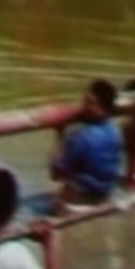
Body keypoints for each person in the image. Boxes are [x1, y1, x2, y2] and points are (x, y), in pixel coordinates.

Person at [51, 79, 123, 211]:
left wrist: (59, 134)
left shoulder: (81, 137)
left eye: (86, 101)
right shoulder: (115, 132)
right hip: (105, 197)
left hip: (77, 202)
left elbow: (56, 174)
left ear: (94, 103)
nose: (82, 106)